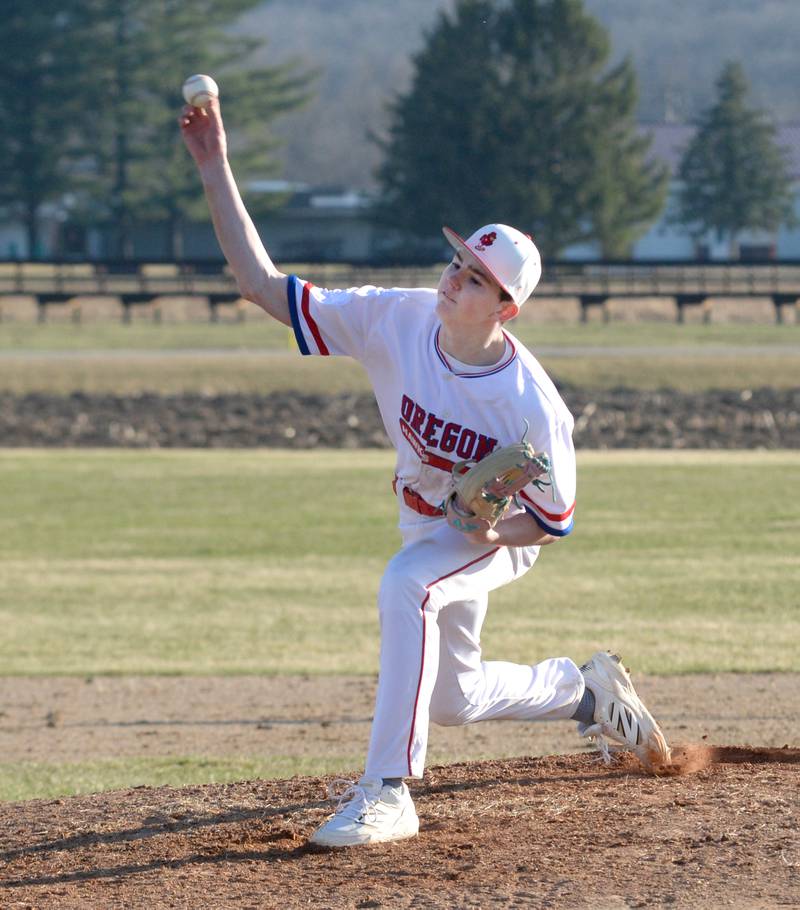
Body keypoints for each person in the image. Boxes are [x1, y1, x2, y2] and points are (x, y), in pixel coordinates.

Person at [179, 96, 671, 849]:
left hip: (496, 534)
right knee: (454, 697)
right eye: (456, 264)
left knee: (407, 584)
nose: (453, 281)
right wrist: (215, 167)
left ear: (506, 309)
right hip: (426, 517)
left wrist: (488, 526)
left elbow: (555, 519)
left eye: (475, 280)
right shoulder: (395, 318)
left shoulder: (531, 407)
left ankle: (388, 790)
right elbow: (261, 284)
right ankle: (587, 692)